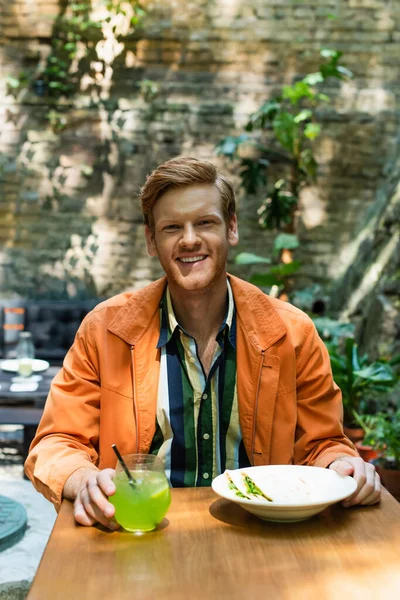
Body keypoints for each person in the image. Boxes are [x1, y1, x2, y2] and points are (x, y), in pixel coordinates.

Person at [25, 156, 381, 529]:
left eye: (205, 223)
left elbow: (323, 444)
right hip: (138, 531)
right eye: (172, 227)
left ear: (231, 229)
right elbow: (56, 442)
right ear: (151, 240)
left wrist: (343, 466)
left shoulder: (292, 333)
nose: (190, 239)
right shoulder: (104, 330)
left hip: (260, 533)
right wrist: (83, 480)